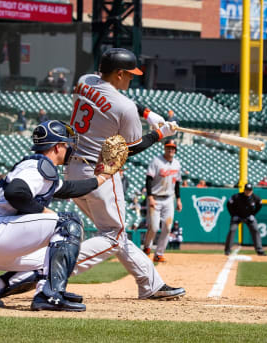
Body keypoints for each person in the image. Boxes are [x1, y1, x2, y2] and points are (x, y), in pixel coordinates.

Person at [64, 47, 185, 300]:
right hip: (101, 174)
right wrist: (160, 134)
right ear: (119, 73)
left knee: (116, 233)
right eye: (129, 74)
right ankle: (52, 270)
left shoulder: (85, 81)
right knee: (114, 236)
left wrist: (149, 114)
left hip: (73, 169)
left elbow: (115, 97)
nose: (132, 78)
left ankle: (151, 284)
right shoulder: (125, 107)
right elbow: (129, 149)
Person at [0, 120, 112, 312]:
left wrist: (104, 177)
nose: (69, 150)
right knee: (69, 222)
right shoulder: (37, 165)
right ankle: (50, 295)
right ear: (57, 147)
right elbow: (15, 192)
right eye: (67, 145)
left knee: (50, 260)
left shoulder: (39, 169)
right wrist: (42, 211)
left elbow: (70, 189)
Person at [142, 139, 183, 262]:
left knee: (167, 227)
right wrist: (149, 197)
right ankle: (147, 248)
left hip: (169, 199)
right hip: (155, 197)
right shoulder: (156, 161)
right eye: (168, 147)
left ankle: (159, 253)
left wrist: (179, 199)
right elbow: (148, 179)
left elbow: (177, 183)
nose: (170, 150)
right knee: (153, 227)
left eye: (173, 148)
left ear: (175, 150)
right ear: (165, 148)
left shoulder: (177, 164)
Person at [224, 183, 267, 256]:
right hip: (237, 216)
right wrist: (233, 215)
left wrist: (253, 215)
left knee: (255, 230)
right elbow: (229, 204)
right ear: (244, 190)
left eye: (249, 190)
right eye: (247, 190)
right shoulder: (237, 196)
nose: (248, 192)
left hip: (248, 217)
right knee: (232, 230)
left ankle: (259, 250)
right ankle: (227, 250)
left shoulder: (256, 198)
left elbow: (259, 205)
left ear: (252, 191)